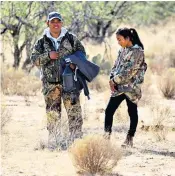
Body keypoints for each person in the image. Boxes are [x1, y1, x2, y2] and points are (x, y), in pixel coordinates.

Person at [30, 12, 88, 144]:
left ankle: (76, 141)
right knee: (52, 113)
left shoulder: (71, 38)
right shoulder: (41, 41)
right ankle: (54, 140)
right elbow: (34, 60)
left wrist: (74, 63)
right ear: (48, 23)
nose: (56, 24)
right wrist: (48, 56)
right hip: (50, 84)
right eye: (53, 21)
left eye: (58, 21)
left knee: (74, 112)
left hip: (70, 83)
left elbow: (82, 54)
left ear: (62, 23)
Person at [104, 27, 147, 147]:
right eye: (117, 40)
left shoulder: (137, 52)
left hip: (131, 88)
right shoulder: (122, 50)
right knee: (109, 111)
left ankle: (129, 138)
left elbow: (129, 72)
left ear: (128, 38)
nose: (118, 42)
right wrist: (111, 79)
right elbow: (115, 66)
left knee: (132, 112)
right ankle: (106, 138)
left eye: (120, 39)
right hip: (118, 87)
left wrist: (114, 80)